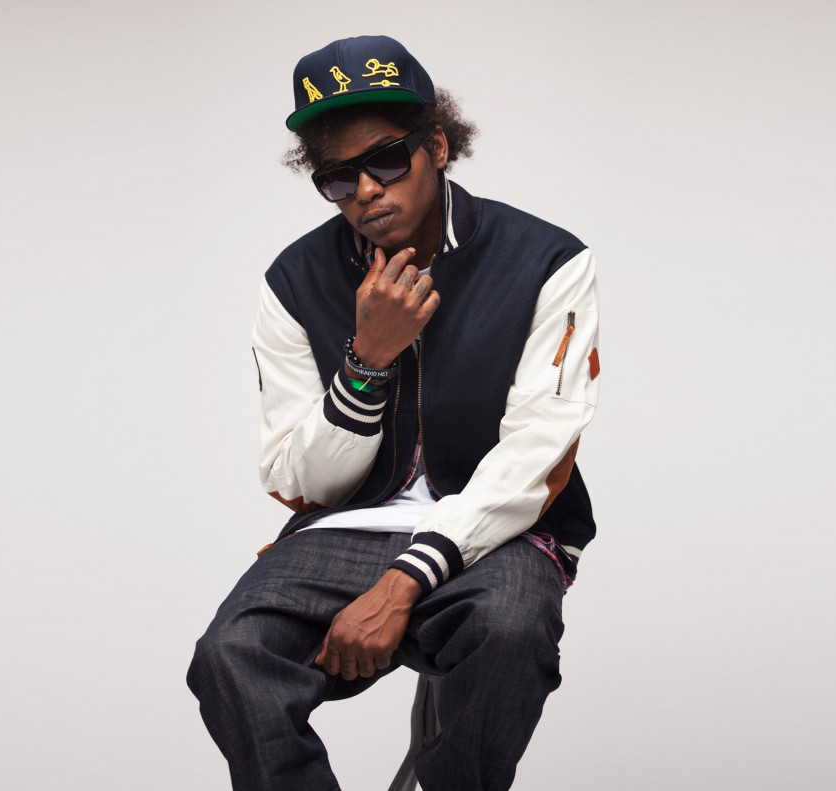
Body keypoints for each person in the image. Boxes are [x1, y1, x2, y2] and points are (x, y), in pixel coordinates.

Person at [187, 34, 601, 791]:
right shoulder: (293, 281)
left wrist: (409, 577)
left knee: (509, 629)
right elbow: (297, 479)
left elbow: (537, 450)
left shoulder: (545, 260)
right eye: (337, 177)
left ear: (436, 146)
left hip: (500, 529)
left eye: (385, 160)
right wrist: (366, 363)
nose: (365, 191)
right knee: (230, 655)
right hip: (347, 527)